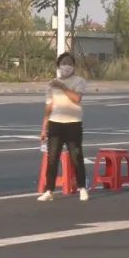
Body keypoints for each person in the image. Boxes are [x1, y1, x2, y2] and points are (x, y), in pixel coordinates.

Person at [38, 52, 89, 202]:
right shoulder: (51, 84)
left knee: (76, 156)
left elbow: (76, 98)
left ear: (74, 66)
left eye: (70, 63)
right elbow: (49, 106)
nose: (67, 66)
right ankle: (49, 190)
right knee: (52, 158)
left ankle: (82, 188)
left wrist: (62, 86)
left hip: (73, 123)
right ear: (58, 66)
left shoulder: (79, 81)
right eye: (64, 63)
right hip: (55, 123)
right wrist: (44, 127)